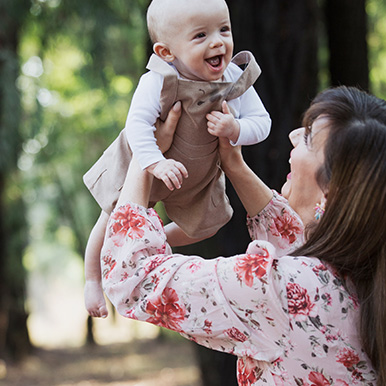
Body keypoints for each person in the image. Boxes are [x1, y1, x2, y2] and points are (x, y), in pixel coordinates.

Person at [99, 86, 385, 385]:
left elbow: (134, 281)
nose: (294, 136)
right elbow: (294, 245)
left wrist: (145, 155)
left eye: (309, 137)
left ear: (332, 191)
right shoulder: (365, 275)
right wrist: (234, 164)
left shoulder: (280, 291)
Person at [83, 0, 271, 317]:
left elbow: (262, 122)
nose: (217, 41)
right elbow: (138, 125)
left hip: (195, 174)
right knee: (113, 217)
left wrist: (237, 127)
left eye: (224, 29)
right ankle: (92, 277)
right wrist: (155, 162)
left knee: (209, 225)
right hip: (145, 163)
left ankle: (157, 241)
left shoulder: (234, 78)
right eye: (200, 36)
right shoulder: (159, 79)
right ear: (166, 52)